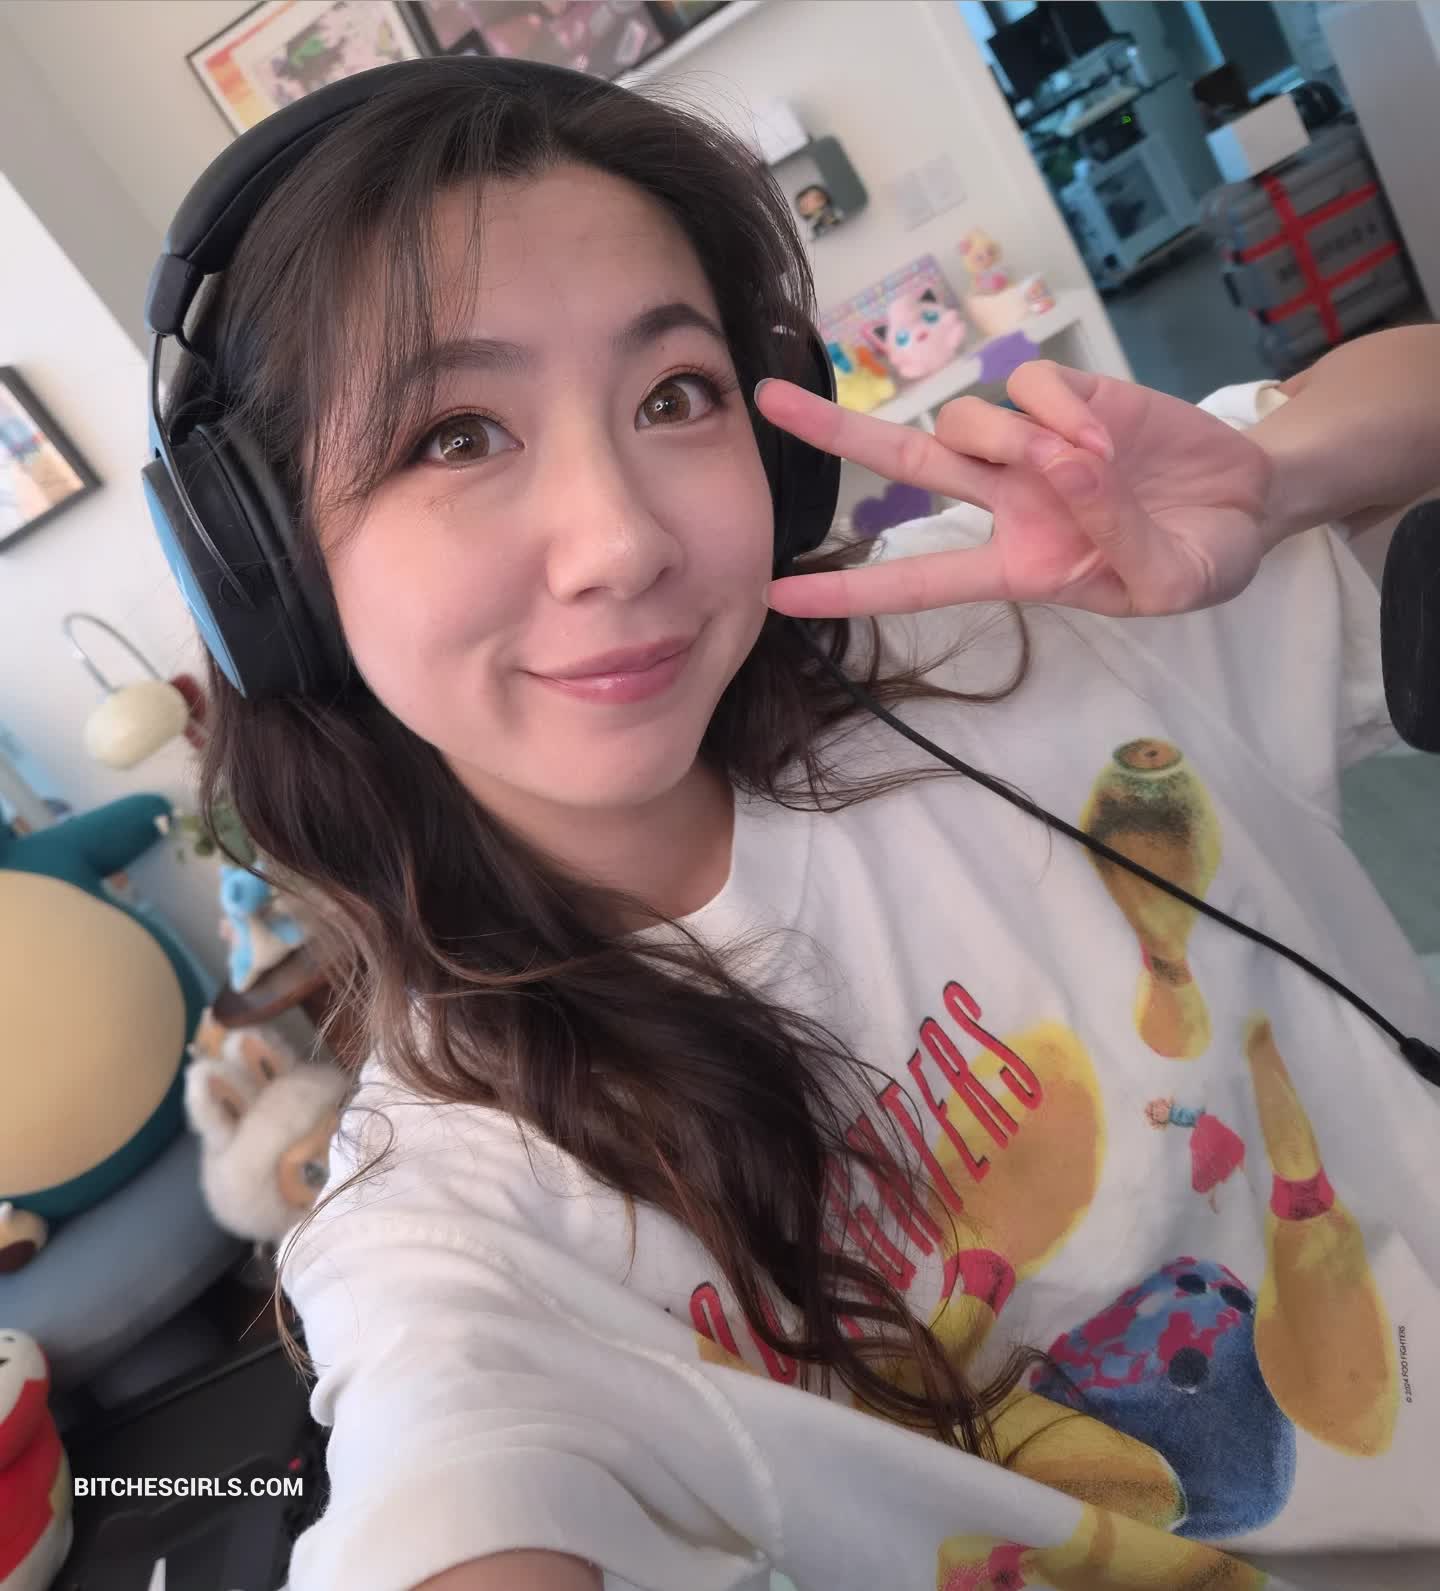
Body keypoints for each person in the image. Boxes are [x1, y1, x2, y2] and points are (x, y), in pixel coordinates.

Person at [145, 56, 1440, 1591]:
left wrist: (1272, 485)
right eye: (456, 435)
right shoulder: (452, 1226)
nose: (621, 541)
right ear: (267, 563)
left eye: (673, 396)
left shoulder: (1016, 629)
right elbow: (451, 1473)